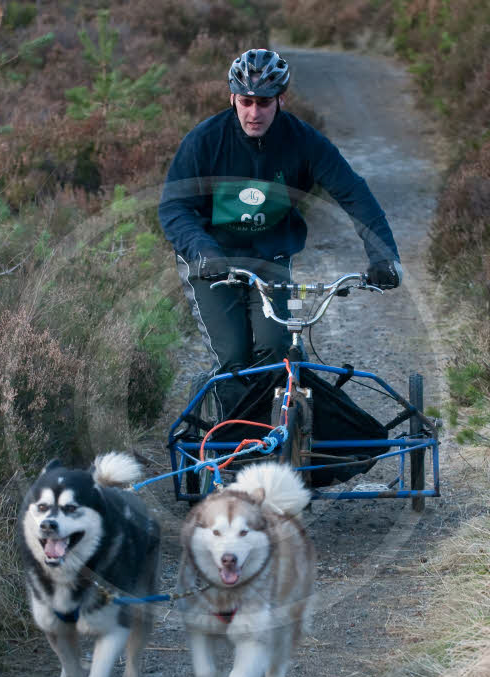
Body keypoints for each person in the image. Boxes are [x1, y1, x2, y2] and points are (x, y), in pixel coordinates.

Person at [158, 48, 402, 424]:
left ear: (281, 100)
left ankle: (283, 445)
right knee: (234, 359)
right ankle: (229, 451)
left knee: (278, 352)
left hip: (268, 260)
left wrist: (383, 256)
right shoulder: (205, 141)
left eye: (265, 103)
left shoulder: (303, 141)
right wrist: (203, 250)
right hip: (211, 262)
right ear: (232, 99)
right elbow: (173, 207)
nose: (254, 113)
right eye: (246, 102)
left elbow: (353, 193)